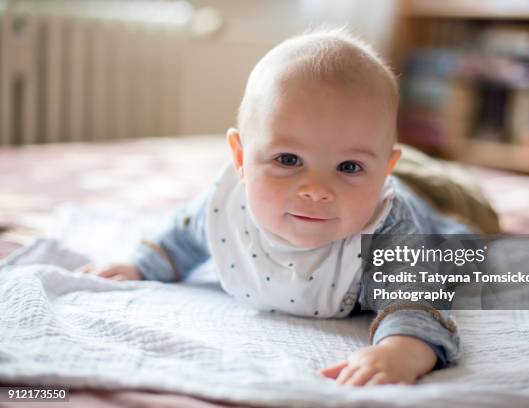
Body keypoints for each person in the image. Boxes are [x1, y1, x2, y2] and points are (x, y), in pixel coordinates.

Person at [94, 28, 470, 386]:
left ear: (384, 170)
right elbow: (182, 236)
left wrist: (401, 350)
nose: (316, 190)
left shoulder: (388, 229)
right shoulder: (225, 205)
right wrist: (141, 266)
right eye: (288, 160)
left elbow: (416, 299)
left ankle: (439, 189)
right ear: (241, 158)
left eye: (349, 167)